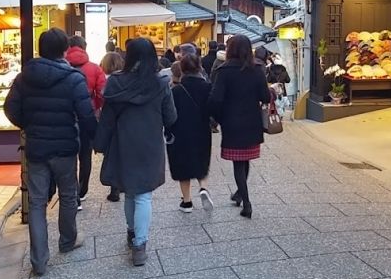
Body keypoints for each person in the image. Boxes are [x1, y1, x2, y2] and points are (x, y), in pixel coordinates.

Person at [4, 28, 97, 276]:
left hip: (36, 147)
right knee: (68, 194)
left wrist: (28, 124)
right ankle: (67, 241)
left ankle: (38, 260)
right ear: (64, 50)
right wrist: (98, 139)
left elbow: (10, 108)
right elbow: (86, 114)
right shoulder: (73, 78)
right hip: (65, 147)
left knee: (36, 201)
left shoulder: (24, 77)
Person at [94, 38, 177, 266]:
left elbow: (107, 119)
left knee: (129, 191)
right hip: (149, 145)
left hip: (123, 144)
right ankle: (140, 245)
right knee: (143, 195)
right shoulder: (159, 84)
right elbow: (171, 117)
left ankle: (132, 233)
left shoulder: (115, 83)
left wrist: (99, 144)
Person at [209, 34, 271, 219]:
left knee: (238, 162)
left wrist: (218, 118)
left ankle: (247, 202)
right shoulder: (257, 70)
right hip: (252, 121)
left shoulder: (224, 71)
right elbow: (265, 97)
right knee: (245, 159)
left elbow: (215, 99)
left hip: (232, 122)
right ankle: (239, 193)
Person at [167, 53, 214, 212]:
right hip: (202, 129)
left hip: (180, 132)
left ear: (182, 69)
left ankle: (187, 202)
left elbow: (169, 114)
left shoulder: (176, 90)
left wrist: (168, 131)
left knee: (183, 166)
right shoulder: (207, 87)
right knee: (201, 160)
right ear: (199, 67)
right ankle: (203, 188)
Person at [65, 35, 107, 209]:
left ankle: (72, 191)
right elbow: (102, 93)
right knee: (85, 155)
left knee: (68, 156)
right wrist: (96, 108)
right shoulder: (95, 68)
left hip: (65, 117)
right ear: (84, 47)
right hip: (87, 115)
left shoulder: (63, 67)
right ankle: (82, 191)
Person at [100, 52, 125, 203]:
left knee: (111, 153)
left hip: (109, 121)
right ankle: (122, 182)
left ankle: (114, 187)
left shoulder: (106, 80)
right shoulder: (125, 79)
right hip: (125, 121)